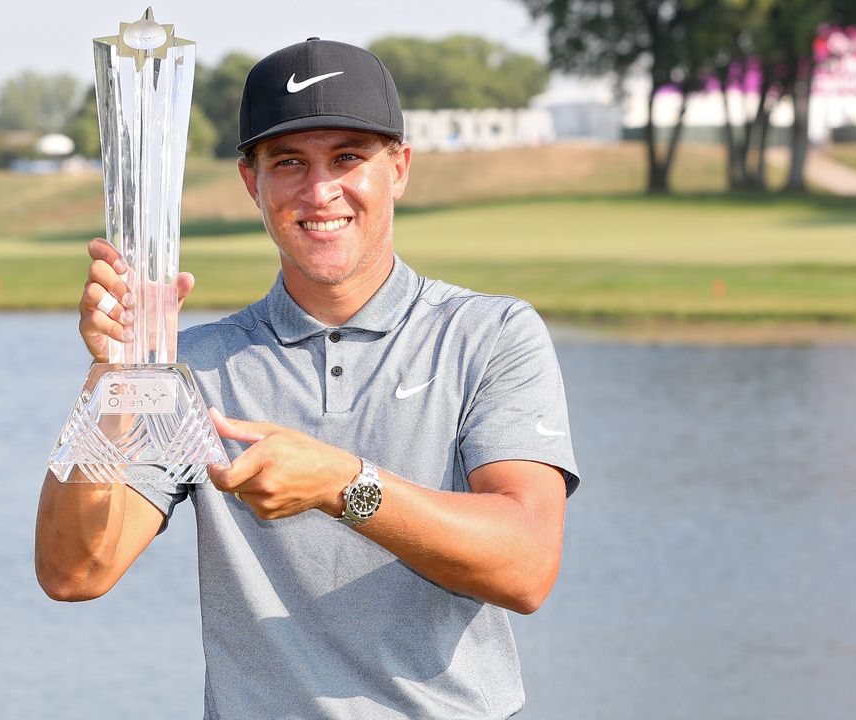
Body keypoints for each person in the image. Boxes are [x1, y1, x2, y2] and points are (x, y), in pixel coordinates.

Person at [35, 38, 580, 719]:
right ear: (250, 182)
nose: (321, 191)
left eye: (348, 157)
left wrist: (343, 485)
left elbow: (526, 566)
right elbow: (74, 571)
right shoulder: (193, 368)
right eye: (289, 162)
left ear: (399, 168)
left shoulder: (489, 334)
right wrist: (110, 380)